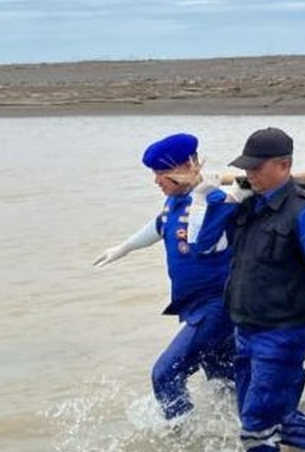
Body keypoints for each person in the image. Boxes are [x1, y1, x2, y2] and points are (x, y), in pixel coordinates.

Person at [192, 128, 305, 452]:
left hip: (285, 329)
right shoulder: (246, 207)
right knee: (266, 414)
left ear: (283, 165)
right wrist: (219, 201)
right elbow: (204, 245)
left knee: (256, 425)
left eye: (256, 167)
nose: (249, 173)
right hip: (246, 325)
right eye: (246, 167)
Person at [93, 133, 234, 421]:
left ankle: (181, 436)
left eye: (160, 173)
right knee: (226, 382)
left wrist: (203, 195)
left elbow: (199, 240)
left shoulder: (214, 200)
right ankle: (248, 432)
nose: (156, 181)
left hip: (216, 307)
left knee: (165, 373)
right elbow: (160, 225)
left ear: (184, 167)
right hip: (193, 306)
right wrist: (125, 247)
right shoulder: (174, 201)